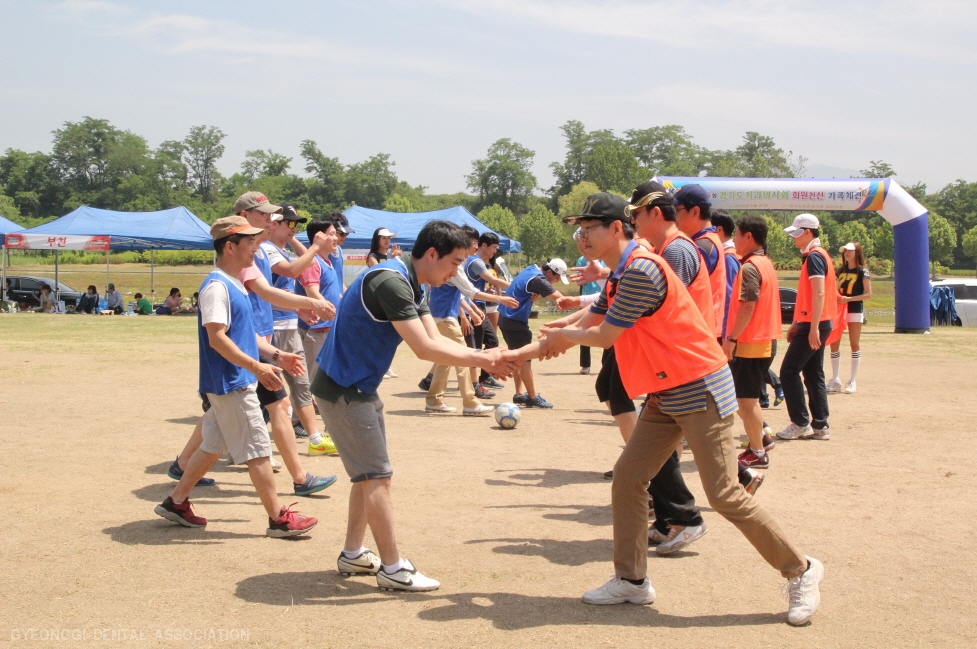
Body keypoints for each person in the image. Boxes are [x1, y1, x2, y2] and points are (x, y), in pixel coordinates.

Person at [515, 198, 824, 627]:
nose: (582, 236)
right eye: (579, 228)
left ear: (618, 228)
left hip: (698, 388)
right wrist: (515, 351)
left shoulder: (642, 269)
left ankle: (801, 570)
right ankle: (632, 580)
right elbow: (592, 316)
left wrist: (552, 339)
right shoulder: (624, 271)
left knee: (725, 494)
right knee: (628, 478)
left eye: (591, 227)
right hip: (667, 391)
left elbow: (603, 335)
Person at [310, 220, 519, 592]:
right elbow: (423, 349)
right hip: (344, 389)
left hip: (357, 387)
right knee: (376, 477)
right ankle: (392, 568)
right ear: (432, 254)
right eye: (455, 263)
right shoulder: (390, 280)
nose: (457, 272)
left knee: (367, 475)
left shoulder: (411, 280)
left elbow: (433, 338)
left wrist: (483, 355)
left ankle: (353, 552)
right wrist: (484, 359)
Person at [154, 215, 320, 537]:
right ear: (230, 247)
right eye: (249, 241)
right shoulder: (217, 287)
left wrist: (276, 355)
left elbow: (242, 336)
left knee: (213, 444)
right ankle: (278, 518)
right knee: (258, 448)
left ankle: (176, 502)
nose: (256, 246)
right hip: (233, 383)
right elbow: (217, 338)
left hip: (232, 380)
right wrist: (255, 367)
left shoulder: (234, 284)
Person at [262, 203, 337, 455]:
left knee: (301, 384)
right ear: (274, 224)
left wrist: (298, 310)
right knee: (265, 389)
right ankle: (250, 445)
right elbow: (294, 270)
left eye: (296, 224)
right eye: (289, 223)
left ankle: (315, 439)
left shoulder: (281, 250)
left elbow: (302, 264)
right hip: (268, 328)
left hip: (288, 325)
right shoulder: (266, 250)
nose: (294, 227)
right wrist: (315, 246)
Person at [425, 225, 517, 416]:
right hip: (443, 317)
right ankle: (470, 402)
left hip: (442, 315)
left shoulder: (456, 264)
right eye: (472, 243)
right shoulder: (455, 266)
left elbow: (460, 295)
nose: (475, 246)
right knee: (463, 357)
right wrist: (502, 299)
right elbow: (472, 292)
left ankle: (434, 399)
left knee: (446, 359)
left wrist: (472, 310)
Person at [722, 215, 782, 469]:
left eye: (736, 234)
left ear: (748, 236)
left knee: (745, 402)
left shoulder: (749, 266)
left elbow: (748, 305)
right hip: (763, 339)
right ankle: (761, 440)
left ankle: (758, 450)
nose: (734, 239)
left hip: (751, 341)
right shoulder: (763, 262)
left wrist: (731, 338)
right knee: (746, 400)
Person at [776, 214, 836, 441]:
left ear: (808, 232)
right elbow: (812, 294)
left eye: (796, 233)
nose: (793, 238)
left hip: (816, 322)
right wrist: (799, 322)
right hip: (819, 321)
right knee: (813, 373)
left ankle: (800, 422)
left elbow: (819, 292)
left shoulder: (814, 257)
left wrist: (811, 327)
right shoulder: (818, 255)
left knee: (789, 371)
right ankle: (820, 424)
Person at [294, 215, 345, 452]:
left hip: (326, 328)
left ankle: (303, 421)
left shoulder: (327, 261)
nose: (336, 238)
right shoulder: (313, 262)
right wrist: (327, 308)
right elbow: (311, 292)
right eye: (332, 233)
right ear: (319, 236)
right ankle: (297, 422)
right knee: (306, 380)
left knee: (317, 379)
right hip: (314, 329)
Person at [498, 258, 567, 408]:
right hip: (515, 322)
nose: (556, 281)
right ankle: (532, 396)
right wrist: (582, 303)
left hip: (506, 319)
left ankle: (519, 394)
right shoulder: (538, 279)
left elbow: (521, 291)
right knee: (524, 360)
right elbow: (561, 298)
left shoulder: (531, 271)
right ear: (549, 271)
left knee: (516, 358)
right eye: (556, 277)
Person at [673, 184, 725, 340]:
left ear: (695, 211)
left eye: (676, 210)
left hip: (698, 332)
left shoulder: (702, 246)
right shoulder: (708, 241)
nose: (672, 217)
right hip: (704, 328)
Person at [827, 242, 872, 394]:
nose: (847, 253)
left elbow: (868, 294)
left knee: (854, 344)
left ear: (857, 253)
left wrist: (849, 299)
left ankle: (852, 381)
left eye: (850, 251)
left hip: (854, 309)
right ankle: (835, 379)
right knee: (834, 343)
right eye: (845, 251)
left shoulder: (862, 271)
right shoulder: (840, 270)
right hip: (839, 310)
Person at [367, 227, 402, 379]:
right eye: (384, 238)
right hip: (376, 300)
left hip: (387, 299)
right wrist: (394, 260)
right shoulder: (372, 256)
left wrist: (397, 259)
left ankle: (386, 365)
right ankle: (378, 366)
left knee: (389, 334)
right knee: (378, 334)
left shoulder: (388, 256)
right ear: (377, 239)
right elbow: (380, 273)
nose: (387, 241)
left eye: (388, 238)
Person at [575, 241, 606, 375]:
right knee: (583, 330)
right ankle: (585, 365)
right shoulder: (581, 260)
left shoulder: (605, 258)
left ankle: (606, 365)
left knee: (606, 330)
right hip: (587, 297)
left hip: (604, 298)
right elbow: (578, 279)